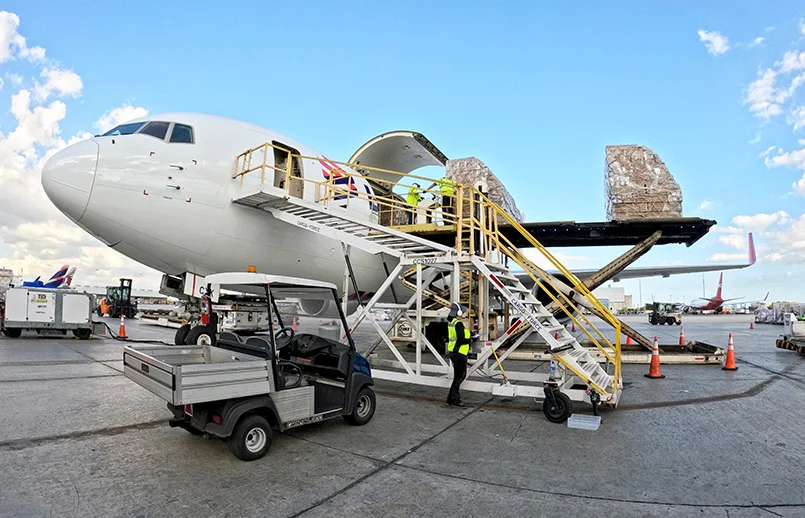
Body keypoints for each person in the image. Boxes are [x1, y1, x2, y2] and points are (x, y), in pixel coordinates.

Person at [446, 302, 473, 407]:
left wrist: (469, 334)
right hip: (459, 353)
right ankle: (455, 399)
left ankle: (450, 398)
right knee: (459, 377)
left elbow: (457, 336)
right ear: (459, 312)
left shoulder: (452, 322)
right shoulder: (458, 324)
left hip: (454, 352)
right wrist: (470, 340)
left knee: (459, 376)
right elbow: (461, 340)